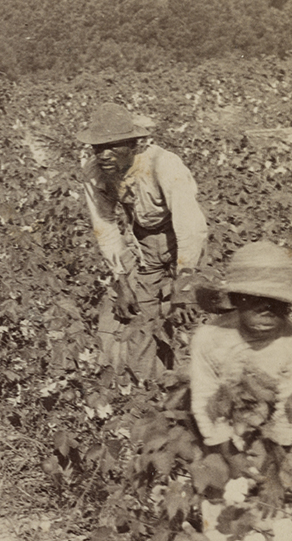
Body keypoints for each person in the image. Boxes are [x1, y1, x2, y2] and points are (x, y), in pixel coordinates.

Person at [78, 102, 208, 379]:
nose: (104, 154)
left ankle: (195, 391)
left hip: (183, 245)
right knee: (140, 322)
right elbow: (105, 226)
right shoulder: (95, 174)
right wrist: (121, 280)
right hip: (145, 247)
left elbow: (189, 226)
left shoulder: (163, 164)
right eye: (98, 148)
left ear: (134, 144)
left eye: (113, 146)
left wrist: (184, 280)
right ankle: (149, 389)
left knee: (188, 319)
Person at [190, 242, 292, 450]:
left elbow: (289, 415)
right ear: (235, 299)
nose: (267, 309)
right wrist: (228, 454)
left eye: (278, 301)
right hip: (221, 437)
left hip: (277, 440)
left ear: (290, 304)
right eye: (255, 299)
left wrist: (269, 455)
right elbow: (205, 398)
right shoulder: (211, 338)